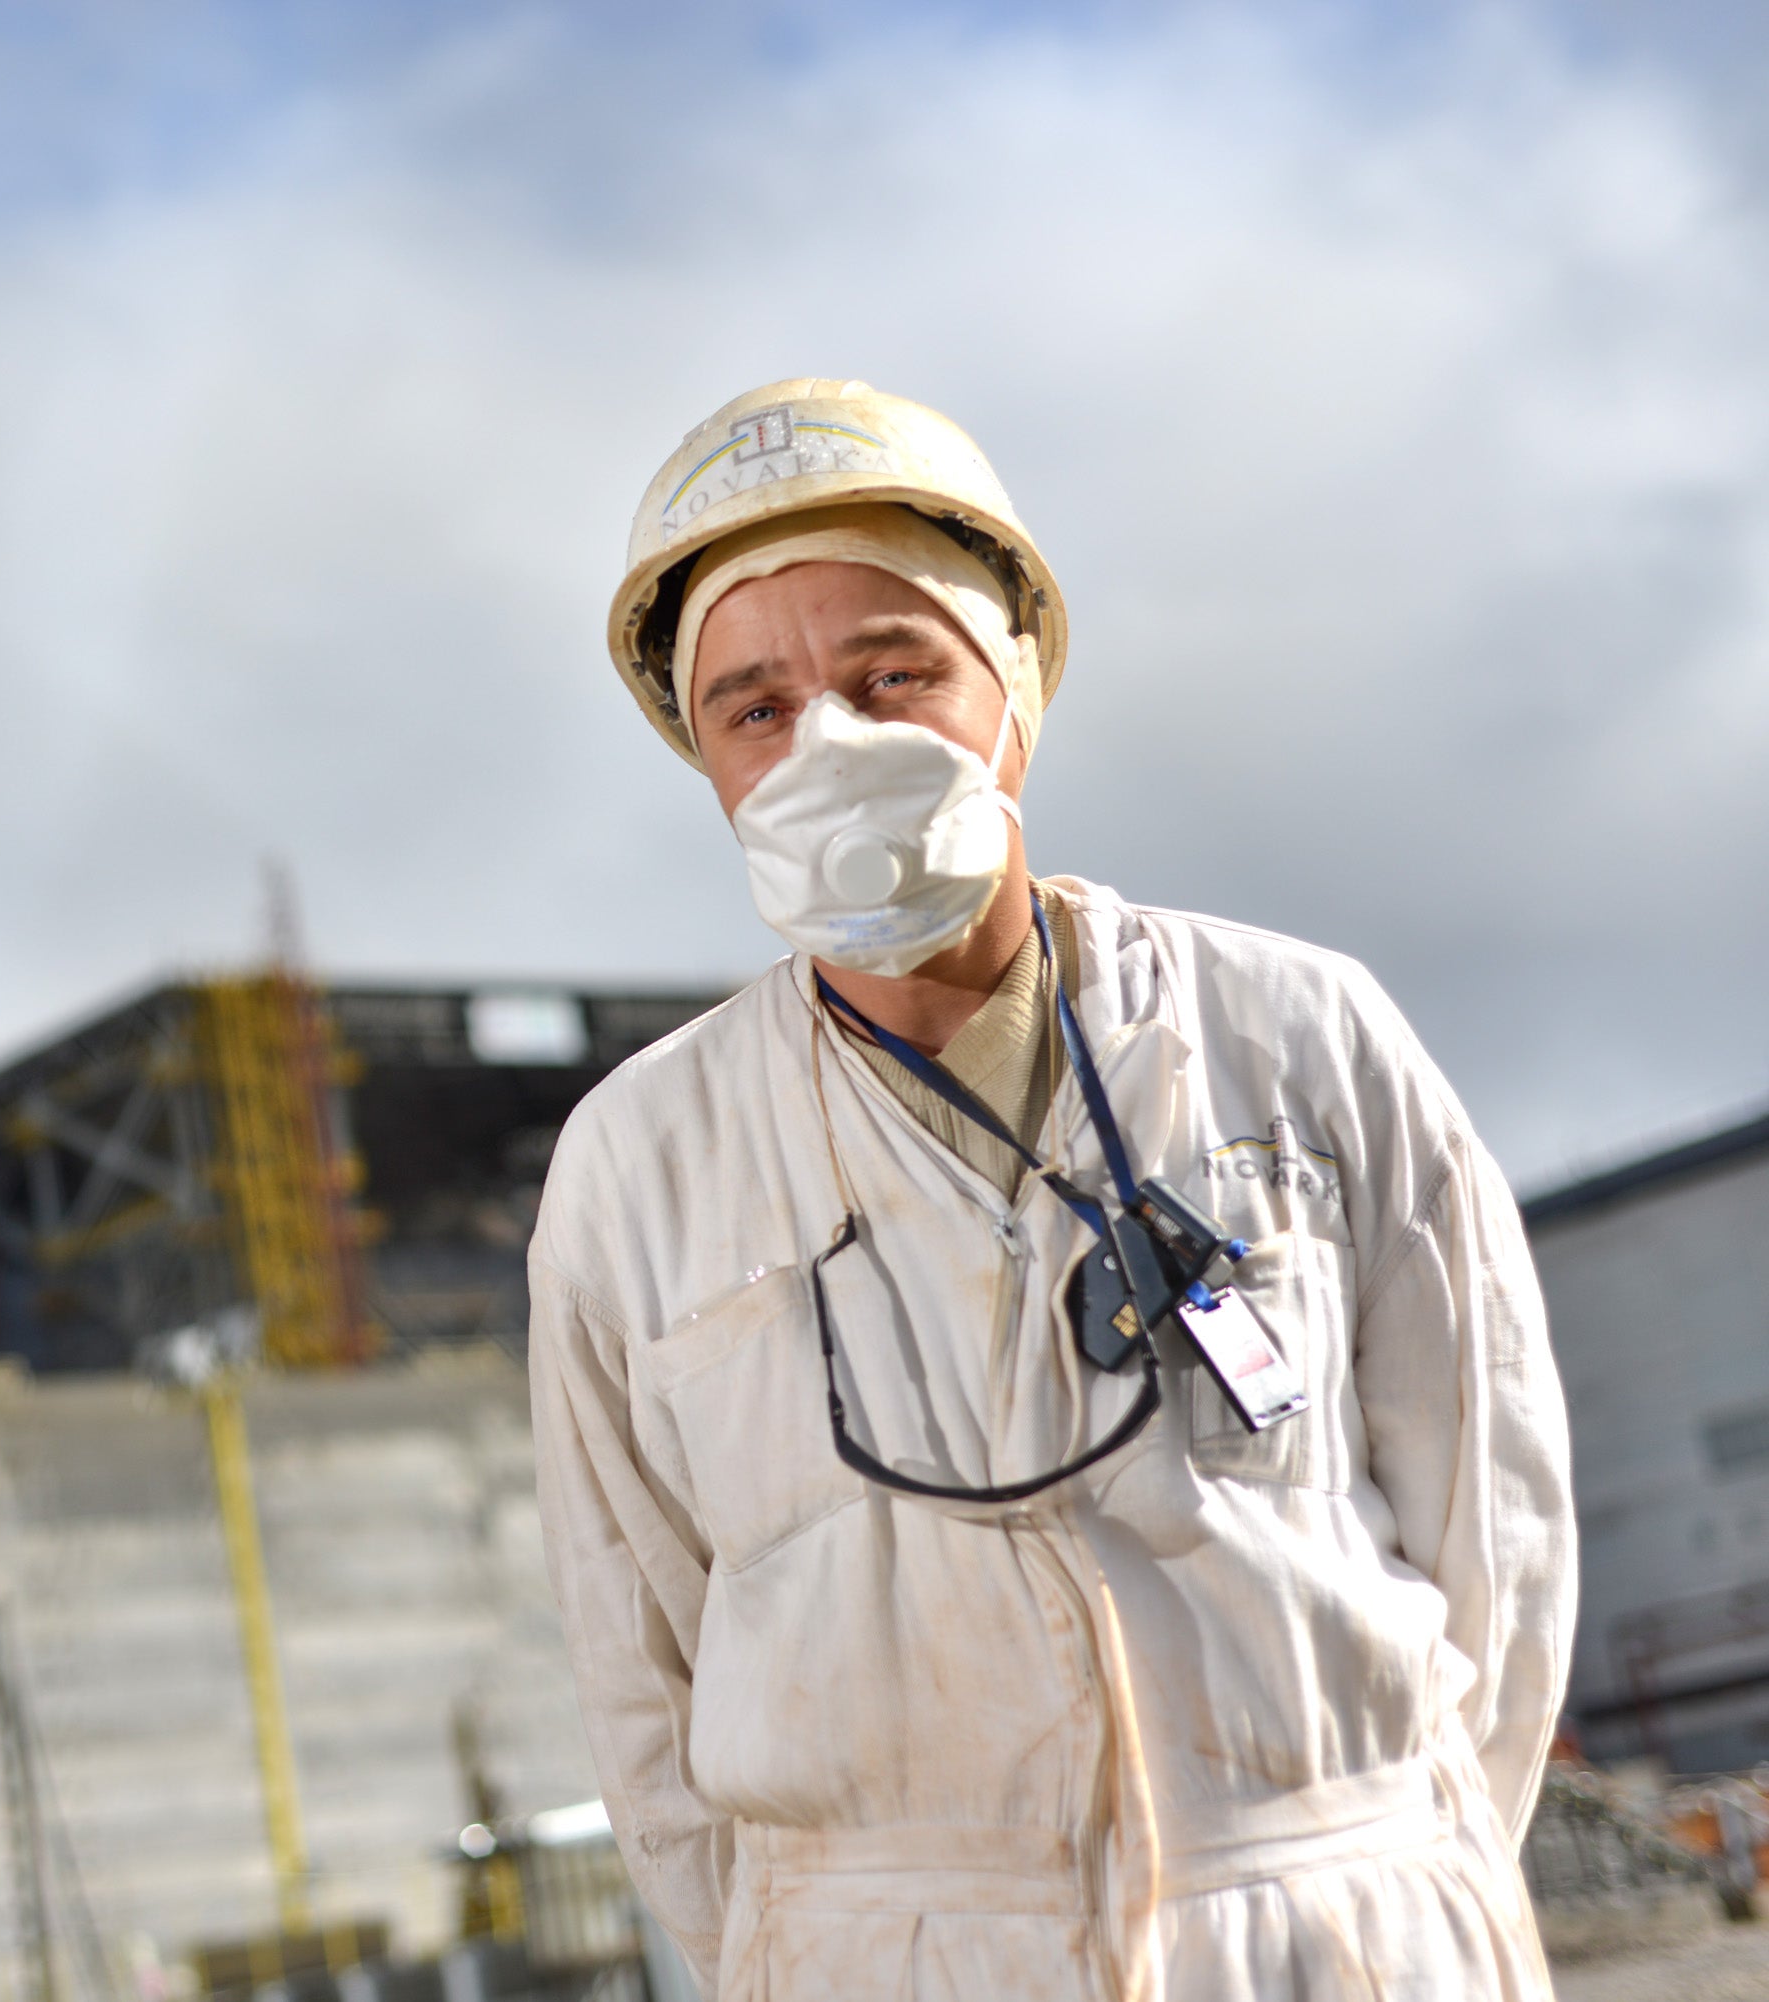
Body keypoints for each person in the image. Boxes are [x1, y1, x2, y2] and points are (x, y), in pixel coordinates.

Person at [529, 379, 1575, 2000]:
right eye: (758, 708)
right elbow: (642, 1672)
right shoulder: (637, 1165)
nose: (835, 748)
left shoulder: (1298, 1035)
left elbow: (1493, 1539)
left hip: (1337, 1928)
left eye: (896, 674)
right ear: (706, 760)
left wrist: (1377, 1870)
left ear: (1014, 688)